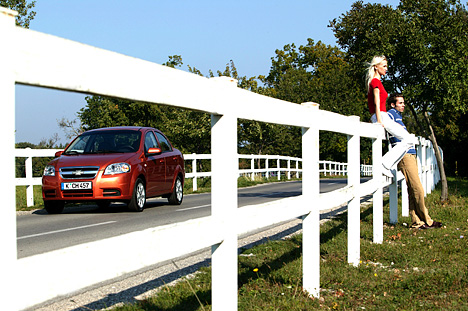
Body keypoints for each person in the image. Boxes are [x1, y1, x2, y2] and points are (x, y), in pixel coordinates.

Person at [387, 93, 442, 229]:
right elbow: (381, 120)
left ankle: (417, 221)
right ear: (393, 104)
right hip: (404, 155)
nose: (403, 105)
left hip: (410, 154)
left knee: (412, 190)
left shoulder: (399, 117)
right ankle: (427, 220)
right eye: (400, 103)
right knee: (418, 189)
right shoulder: (391, 114)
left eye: (403, 103)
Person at [366, 56, 417, 173]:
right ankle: (384, 163)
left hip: (383, 115)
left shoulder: (377, 82)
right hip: (382, 116)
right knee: (408, 139)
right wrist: (378, 121)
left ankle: (385, 164)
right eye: (383, 66)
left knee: (409, 139)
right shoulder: (375, 82)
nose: (386, 68)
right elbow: (376, 102)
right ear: (375, 67)